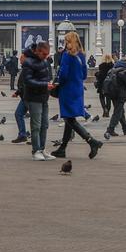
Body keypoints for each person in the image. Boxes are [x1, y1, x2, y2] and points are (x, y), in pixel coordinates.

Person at [50, 32, 102, 160]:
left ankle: (91, 141)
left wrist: (57, 83)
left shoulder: (67, 55)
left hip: (67, 89)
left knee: (70, 119)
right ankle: (62, 148)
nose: (65, 43)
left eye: (66, 41)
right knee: (69, 118)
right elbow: (84, 74)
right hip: (77, 88)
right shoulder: (81, 55)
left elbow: (64, 74)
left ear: (70, 41)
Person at [20, 41, 54, 160]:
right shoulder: (28, 62)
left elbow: (47, 76)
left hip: (44, 97)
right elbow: (27, 81)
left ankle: (42, 148)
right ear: (38, 51)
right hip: (33, 97)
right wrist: (45, 85)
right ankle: (36, 150)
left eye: (47, 54)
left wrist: (50, 83)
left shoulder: (44, 61)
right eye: (44, 54)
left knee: (44, 124)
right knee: (36, 125)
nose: (46, 56)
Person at [105, 56, 126, 136]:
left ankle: (125, 128)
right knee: (117, 112)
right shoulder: (124, 72)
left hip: (112, 94)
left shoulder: (112, 70)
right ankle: (110, 129)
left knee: (120, 111)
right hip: (120, 95)